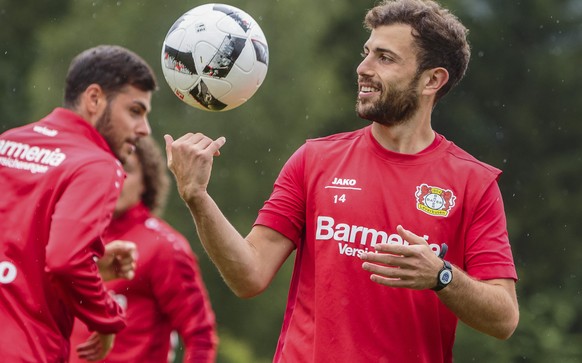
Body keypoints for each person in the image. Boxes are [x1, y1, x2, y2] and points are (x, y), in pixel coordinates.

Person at [164, 0, 520, 362]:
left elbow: (504, 318)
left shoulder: (473, 182)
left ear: (432, 79)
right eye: (366, 53)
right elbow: (250, 276)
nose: (362, 68)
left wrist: (441, 276)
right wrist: (197, 197)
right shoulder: (315, 159)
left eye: (385, 58)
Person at [0, 45, 156, 362]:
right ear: (94, 99)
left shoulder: (8, 141)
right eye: (135, 111)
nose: (144, 129)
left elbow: (17, 254)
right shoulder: (97, 164)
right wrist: (109, 317)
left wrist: (92, 264)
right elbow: (65, 260)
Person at [69, 136, 218, 363]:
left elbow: (200, 337)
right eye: (108, 165)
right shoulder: (70, 237)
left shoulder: (164, 246)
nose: (116, 176)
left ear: (146, 182)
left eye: (126, 168)